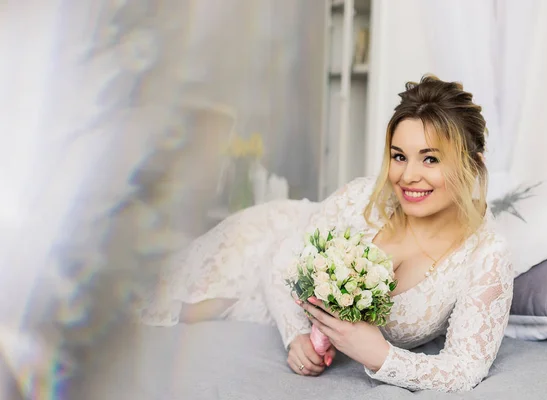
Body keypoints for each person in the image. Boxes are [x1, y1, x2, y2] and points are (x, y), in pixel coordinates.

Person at [138, 75, 514, 392]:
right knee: (154, 300)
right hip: (263, 243)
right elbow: (282, 257)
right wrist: (297, 336)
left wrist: (378, 354)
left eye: (430, 158)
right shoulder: (364, 198)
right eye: (399, 156)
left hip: (285, 278)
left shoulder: (486, 256)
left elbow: (465, 367)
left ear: (472, 164)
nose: (407, 175)